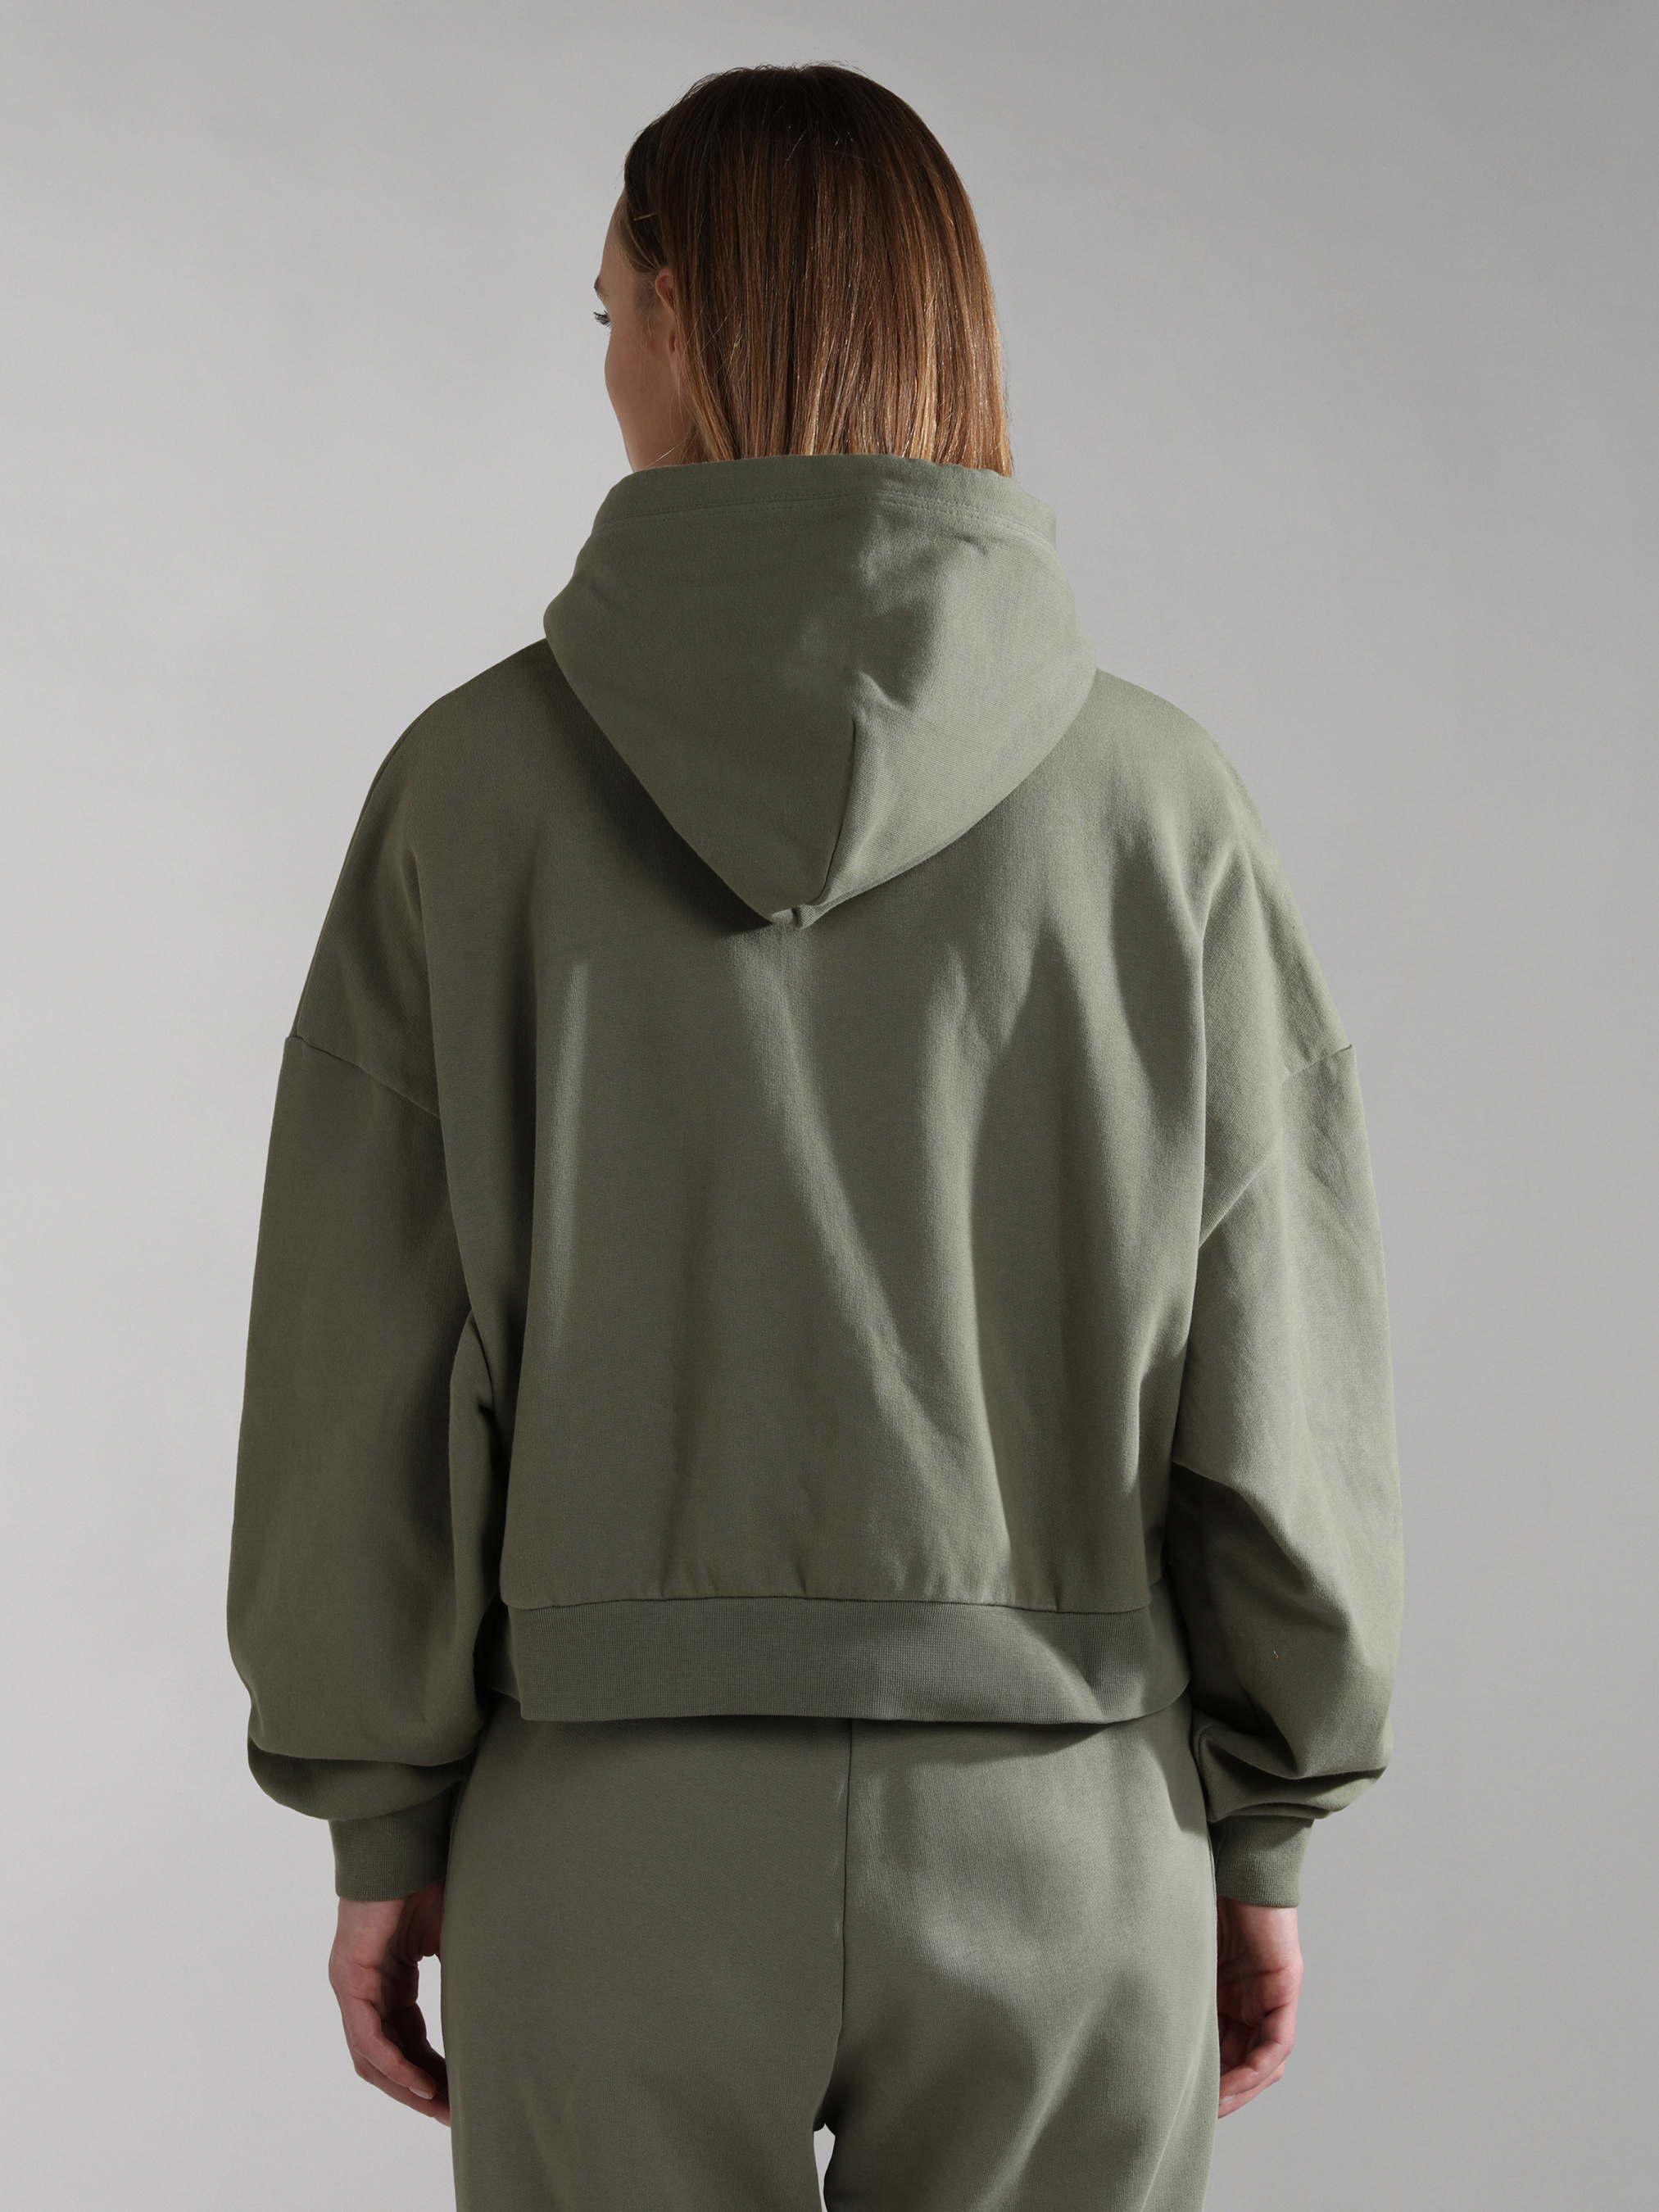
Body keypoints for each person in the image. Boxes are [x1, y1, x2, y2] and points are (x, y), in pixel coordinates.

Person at [228, 61, 1403, 2212]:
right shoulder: (1162, 811)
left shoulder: (468, 791)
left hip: (605, 1836)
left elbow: (363, 1364)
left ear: (683, 318)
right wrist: (1264, 1824)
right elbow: (1276, 1363)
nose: (606, 365)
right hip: (1069, 1826)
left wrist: (381, 1820)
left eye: (607, 315)